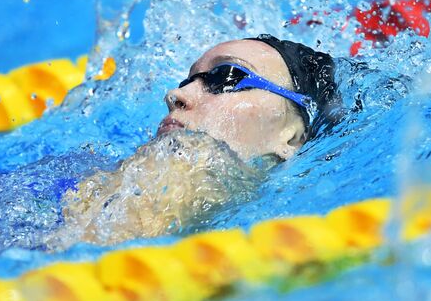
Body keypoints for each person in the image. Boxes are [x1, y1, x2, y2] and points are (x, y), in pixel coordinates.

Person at [46, 34, 339, 250]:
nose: (174, 95)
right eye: (188, 81)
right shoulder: (78, 184)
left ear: (293, 137)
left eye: (226, 76)